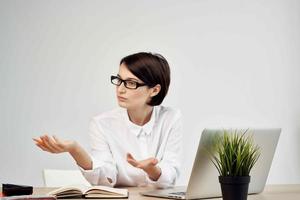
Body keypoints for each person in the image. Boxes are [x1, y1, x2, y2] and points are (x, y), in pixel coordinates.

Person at [33, 52, 182, 188]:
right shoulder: (101, 124)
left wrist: (153, 170)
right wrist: (75, 149)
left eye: (131, 83)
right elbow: (106, 178)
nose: (120, 89)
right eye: (119, 80)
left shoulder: (171, 118)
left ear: (154, 90)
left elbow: (171, 174)